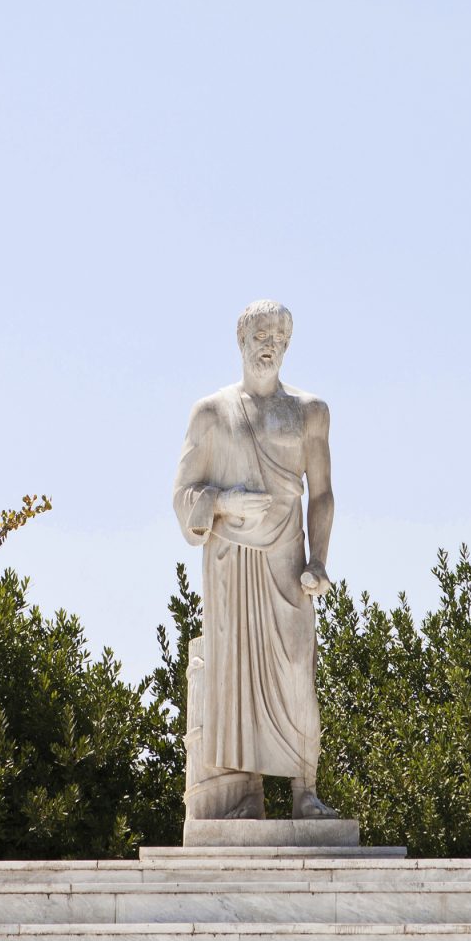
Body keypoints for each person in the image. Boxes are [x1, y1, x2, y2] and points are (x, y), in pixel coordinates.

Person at [172, 299, 338, 820]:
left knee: (296, 674)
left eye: (280, 337)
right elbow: (182, 497)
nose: (271, 345)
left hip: (288, 563)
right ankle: (243, 795)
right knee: (232, 680)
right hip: (230, 564)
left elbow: (322, 494)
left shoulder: (309, 411)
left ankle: (305, 792)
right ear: (241, 340)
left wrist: (319, 560)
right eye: (262, 335)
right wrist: (222, 502)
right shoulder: (211, 413)